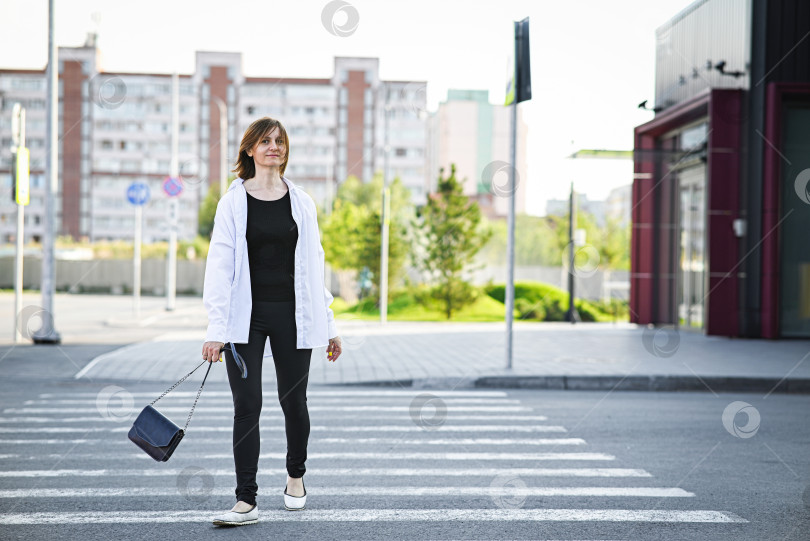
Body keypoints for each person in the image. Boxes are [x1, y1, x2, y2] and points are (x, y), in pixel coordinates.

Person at [201, 116, 342, 526]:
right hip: (245, 318)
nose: (273, 147)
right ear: (249, 149)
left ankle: (295, 475)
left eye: (279, 141)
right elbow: (219, 267)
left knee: (293, 403)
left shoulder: (301, 202)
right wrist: (216, 329)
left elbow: (316, 266)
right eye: (265, 141)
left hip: (294, 317)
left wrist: (328, 324)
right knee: (247, 406)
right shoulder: (233, 202)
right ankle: (246, 500)